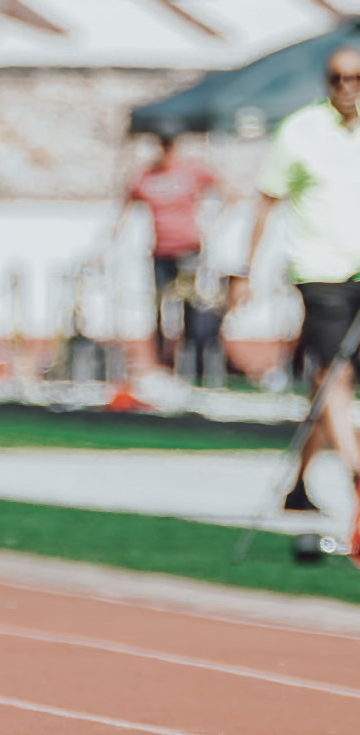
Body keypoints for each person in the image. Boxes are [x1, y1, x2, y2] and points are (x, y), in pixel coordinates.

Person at [232, 46, 360, 527]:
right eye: (338, 78)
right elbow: (265, 200)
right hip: (320, 270)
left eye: (355, 78)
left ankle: (300, 485)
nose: (347, 87)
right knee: (334, 375)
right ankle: (356, 470)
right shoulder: (302, 130)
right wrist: (244, 271)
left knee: (323, 390)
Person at [116, 128, 223, 376]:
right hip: (161, 251)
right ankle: (162, 363)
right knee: (160, 307)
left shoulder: (192, 170)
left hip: (189, 249)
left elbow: (225, 190)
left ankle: (194, 365)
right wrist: (111, 242)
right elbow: (126, 206)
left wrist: (214, 223)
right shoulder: (146, 176)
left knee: (191, 307)